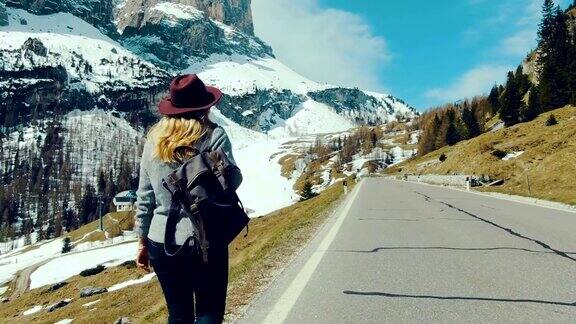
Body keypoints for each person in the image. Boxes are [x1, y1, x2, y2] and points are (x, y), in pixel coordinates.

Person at [134, 74, 239, 324]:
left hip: (161, 241)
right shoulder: (215, 136)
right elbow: (232, 182)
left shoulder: (154, 140)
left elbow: (145, 196)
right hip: (205, 239)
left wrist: (141, 241)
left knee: (178, 314)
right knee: (209, 312)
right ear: (204, 106)